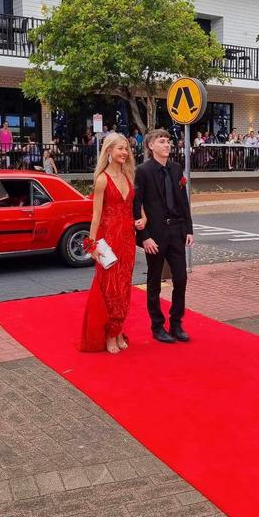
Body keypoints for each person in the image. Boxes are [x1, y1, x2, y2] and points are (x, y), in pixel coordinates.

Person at [79, 133, 146, 354]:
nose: (124, 152)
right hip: (108, 240)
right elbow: (95, 216)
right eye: (120, 148)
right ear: (109, 151)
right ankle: (108, 334)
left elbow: (135, 205)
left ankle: (118, 331)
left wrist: (143, 217)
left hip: (127, 238)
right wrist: (92, 246)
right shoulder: (102, 179)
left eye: (126, 149)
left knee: (124, 288)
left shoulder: (128, 175)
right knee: (109, 288)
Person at [134, 129, 194, 344]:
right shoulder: (142, 171)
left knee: (181, 278)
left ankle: (176, 323)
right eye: (162, 141)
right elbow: (136, 205)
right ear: (151, 146)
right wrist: (145, 236)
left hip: (176, 230)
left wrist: (188, 229)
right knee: (154, 280)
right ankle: (157, 326)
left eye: (168, 141)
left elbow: (183, 201)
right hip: (155, 235)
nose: (167, 145)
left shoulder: (176, 168)